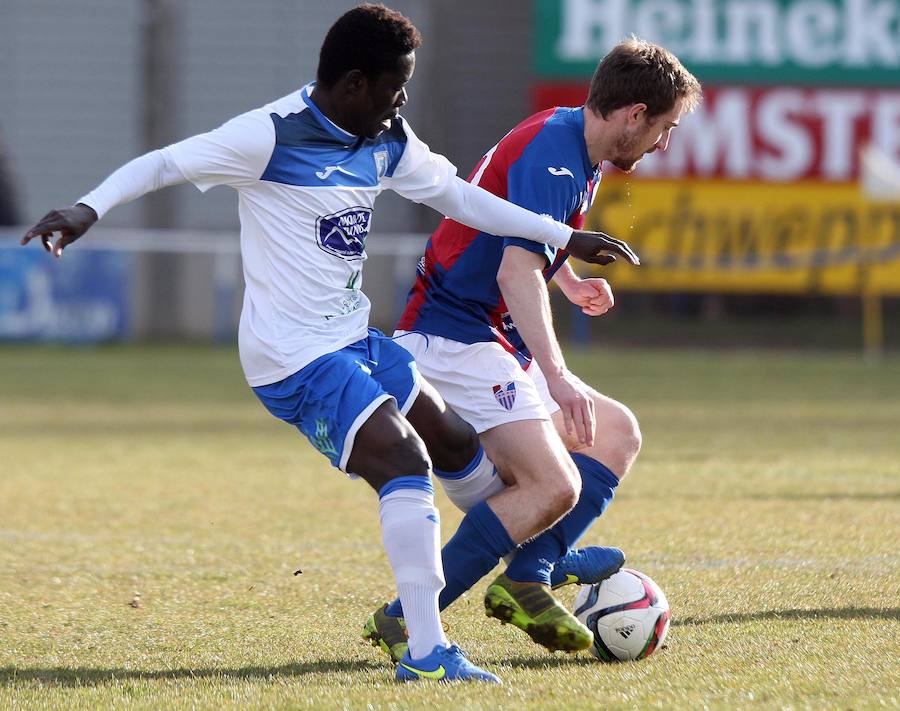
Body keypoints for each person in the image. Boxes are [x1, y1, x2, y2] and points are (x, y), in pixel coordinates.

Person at [20, 4, 638, 684]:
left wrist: (564, 237)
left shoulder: (385, 137)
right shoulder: (268, 136)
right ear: (352, 85)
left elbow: (463, 199)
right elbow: (165, 162)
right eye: (395, 84)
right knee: (403, 458)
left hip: (351, 337)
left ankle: (529, 558)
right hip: (291, 357)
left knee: (454, 441)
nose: (403, 99)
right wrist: (87, 208)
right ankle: (427, 651)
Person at [363, 37, 701, 661]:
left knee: (616, 432)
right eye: (664, 128)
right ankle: (409, 618)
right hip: (454, 336)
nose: (663, 144)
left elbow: (522, 235)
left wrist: (568, 280)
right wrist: (560, 375)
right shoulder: (559, 159)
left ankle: (529, 573)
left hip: (482, 333)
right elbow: (514, 274)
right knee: (552, 486)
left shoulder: (574, 139)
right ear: (633, 115)